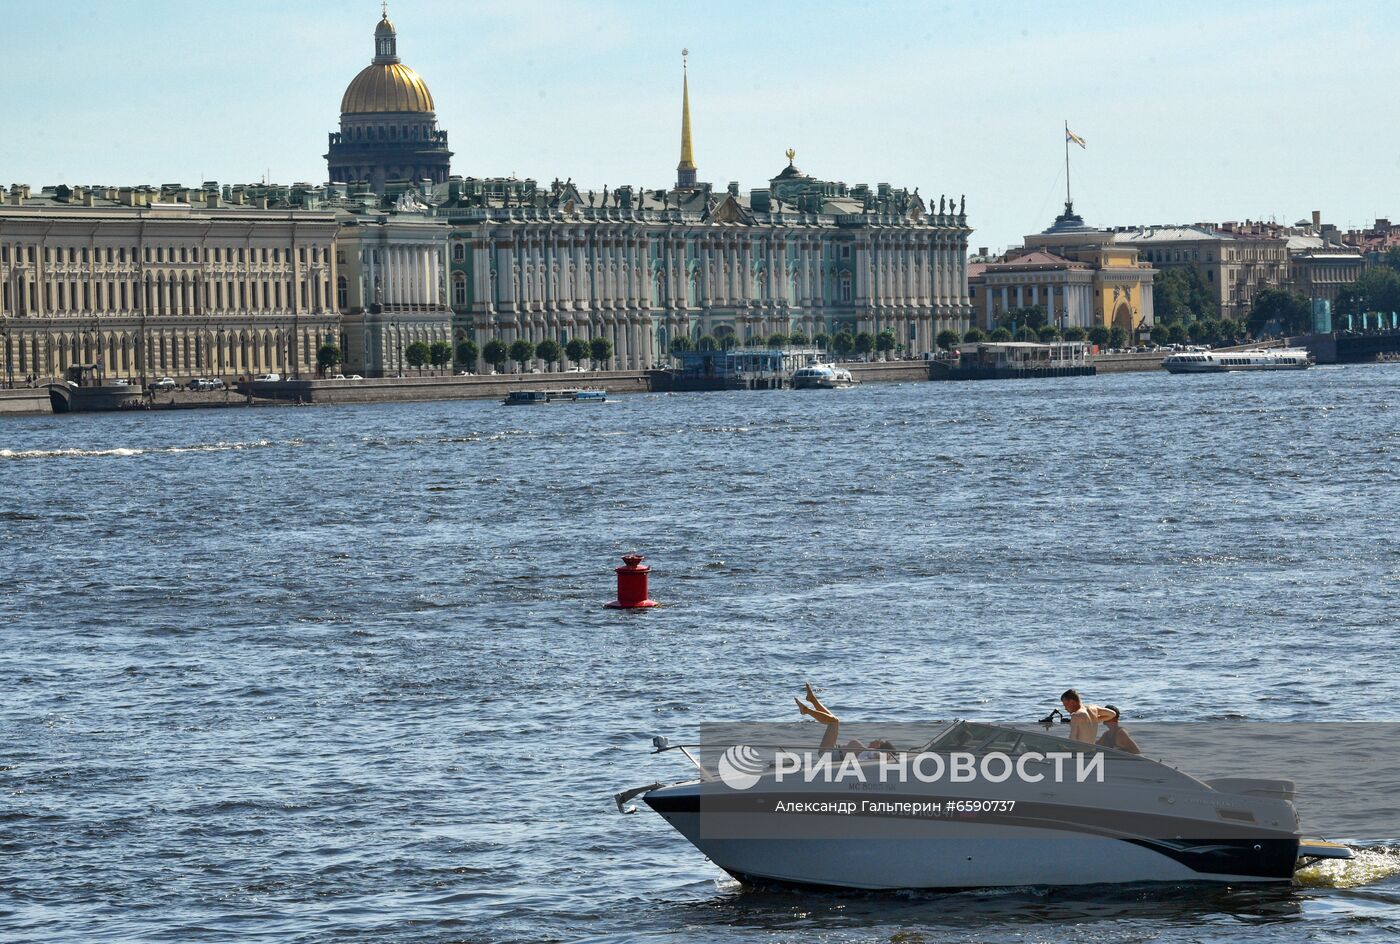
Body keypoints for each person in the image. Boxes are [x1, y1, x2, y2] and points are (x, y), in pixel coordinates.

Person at [795, 682, 893, 758]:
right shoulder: (866, 751)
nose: (876, 739)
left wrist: (885, 756)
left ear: (878, 746)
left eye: (879, 741)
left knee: (834, 722)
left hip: (829, 755)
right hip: (832, 751)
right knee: (833, 721)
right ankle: (813, 700)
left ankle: (806, 710)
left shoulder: (871, 753)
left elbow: (878, 756)